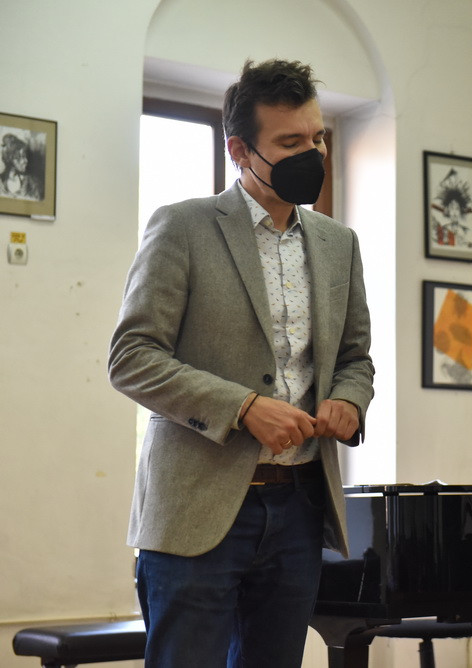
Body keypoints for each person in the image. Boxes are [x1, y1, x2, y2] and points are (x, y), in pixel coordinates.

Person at [108, 59, 375, 668]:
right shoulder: (182, 226)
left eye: (317, 138)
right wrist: (244, 407)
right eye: (290, 142)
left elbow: (355, 357)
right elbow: (131, 357)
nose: (312, 154)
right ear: (239, 150)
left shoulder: (339, 243)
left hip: (300, 508)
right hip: (196, 510)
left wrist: (349, 399)